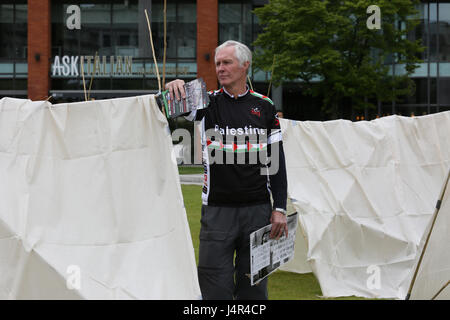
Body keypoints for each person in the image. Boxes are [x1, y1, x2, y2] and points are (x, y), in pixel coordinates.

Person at [165, 40, 288, 300]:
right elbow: (163, 106)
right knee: (213, 288)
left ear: (245, 66)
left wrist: (279, 208)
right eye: (218, 63)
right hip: (217, 211)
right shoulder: (205, 101)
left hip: (258, 211)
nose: (220, 68)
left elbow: (277, 161)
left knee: (253, 288)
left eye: (227, 62)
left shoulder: (264, 106)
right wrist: (172, 88)